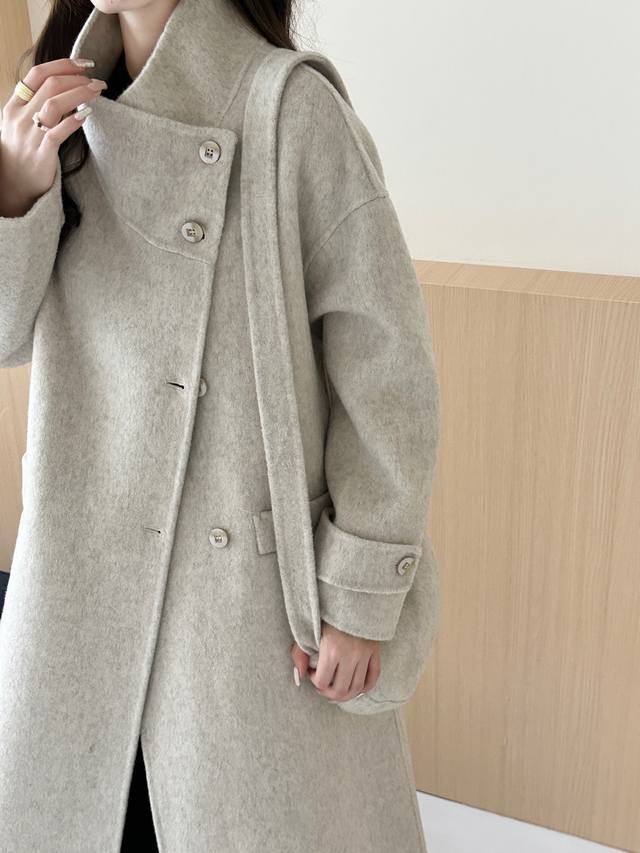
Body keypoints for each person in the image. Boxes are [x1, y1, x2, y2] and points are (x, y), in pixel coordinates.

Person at [0, 0, 441, 850]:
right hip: (78, 588)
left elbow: (387, 372)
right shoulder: (53, 111)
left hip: (241, 614)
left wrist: (361, 591)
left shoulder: (292, 110)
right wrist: (16, 189)